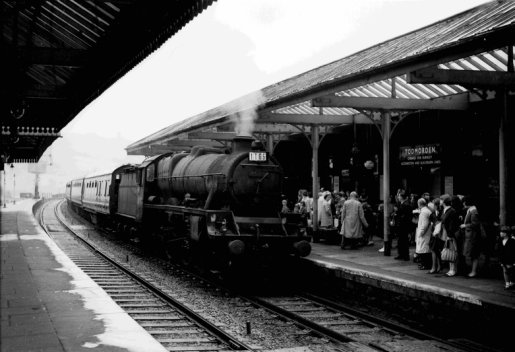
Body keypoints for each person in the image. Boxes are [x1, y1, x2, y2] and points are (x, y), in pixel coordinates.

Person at [460, 195, 481, 277]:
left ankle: (474, 271)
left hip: (473, 235)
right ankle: (473, 270)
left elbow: (475, 224)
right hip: (471, 235)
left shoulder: (473, 211)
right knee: (472, 253)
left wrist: (465, 226)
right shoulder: (471, 209)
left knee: (474, 253)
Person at [440, 194, 460, 276]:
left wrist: (450, 235)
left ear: (444, 202)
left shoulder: (451, 211)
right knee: (449, 251)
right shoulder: (445, 210)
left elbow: (452, 225)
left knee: (452, 251)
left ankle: (453, 269)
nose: (440, 201)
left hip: (450, 235)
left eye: (441, 200)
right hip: (446, 234)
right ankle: (451, 269)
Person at [415, 198, 432, 270]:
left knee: (424, 249)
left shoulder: (424, 212)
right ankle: (425, 264)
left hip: (424, 233)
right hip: (426, 233)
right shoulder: (426, 210)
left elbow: (424, 225)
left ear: (419, 204)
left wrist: (420, 233)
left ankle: (425, 265)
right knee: (424, 248)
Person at [394, 191, 412, 261]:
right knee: (400, 240)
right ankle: (401, 254)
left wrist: (398, 213)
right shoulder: (401, 204)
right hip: (400, 225)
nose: (398, 197)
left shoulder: (406, 205)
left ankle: (405, 255)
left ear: (402, 197)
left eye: (399, 196)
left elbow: (406, 216)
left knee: (404, 241)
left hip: (404, 225)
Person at [429, 198, 443, 274]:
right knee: (435, 249)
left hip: (438, 233)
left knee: (434, 249)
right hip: (434, 233)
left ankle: (434, 267)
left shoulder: (440, 212)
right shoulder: (434, 212)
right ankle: (438, 266)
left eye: (434, 204)